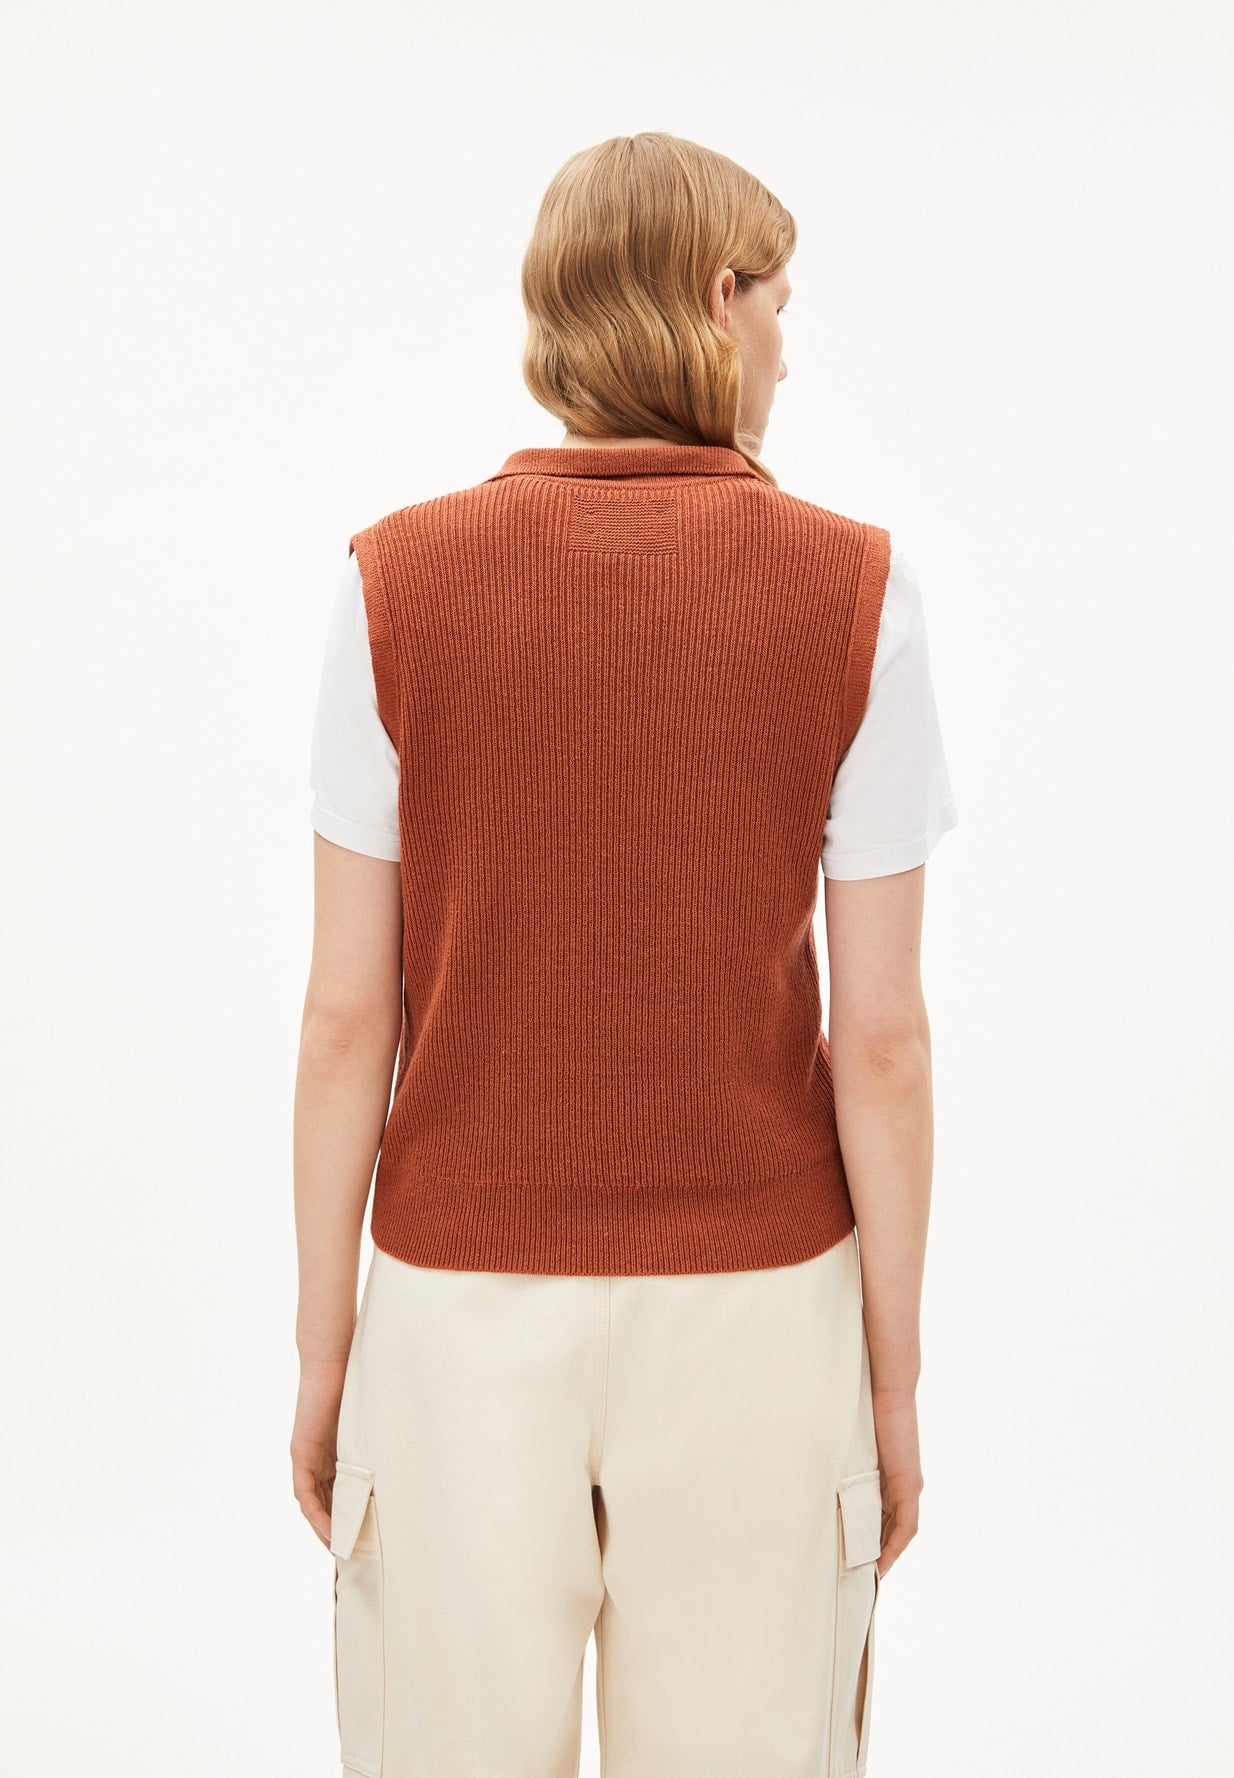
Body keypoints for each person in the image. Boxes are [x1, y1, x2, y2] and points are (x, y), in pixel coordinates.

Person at [292, 131, 958, 1778]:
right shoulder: (855, 592)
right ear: (716, 302)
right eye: (780, 305)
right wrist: (889, 1380)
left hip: (454, 1315)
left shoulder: (391, 584)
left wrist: (325, 1349)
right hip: (760, 1312)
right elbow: (880, 1041)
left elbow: (347, 1017)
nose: (787, 347)